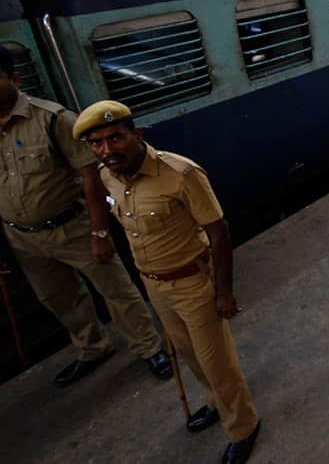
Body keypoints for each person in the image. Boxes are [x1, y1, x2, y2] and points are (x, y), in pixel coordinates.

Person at [0, 42, 171, 386]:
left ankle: (150, 347)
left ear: (14, 78)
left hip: (72, 227)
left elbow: (91, 176)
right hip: (21, 236)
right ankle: (92, 348)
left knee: (116, 291)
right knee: (58, 297)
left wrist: (100, 232)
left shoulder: (52, 119)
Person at [74, 101, 261, 463]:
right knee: (188, 354)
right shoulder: (107, 174)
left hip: (193, 282)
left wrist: (224, 292)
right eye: (97, 143)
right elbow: (100, 199)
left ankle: (244, 426)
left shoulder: (180, 173)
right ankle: (214, 404)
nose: (107, 150)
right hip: (154, 284)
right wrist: (99, 231)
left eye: (116, 138)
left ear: (136, 135)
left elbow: (218, 233)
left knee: (216, 361)